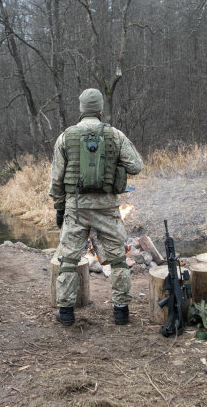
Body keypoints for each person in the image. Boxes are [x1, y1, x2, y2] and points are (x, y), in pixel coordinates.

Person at [49, 88, 143, 326]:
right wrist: (115, 166)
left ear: (81, 109)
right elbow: (136, 166)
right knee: (118, 259)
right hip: (107, 207)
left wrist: (60, 208)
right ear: (101, 109)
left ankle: (67, 312)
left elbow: (56, 180)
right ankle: (121, 310)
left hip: (76, 207)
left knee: (69, 260)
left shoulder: (65, 137)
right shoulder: (115, 135)